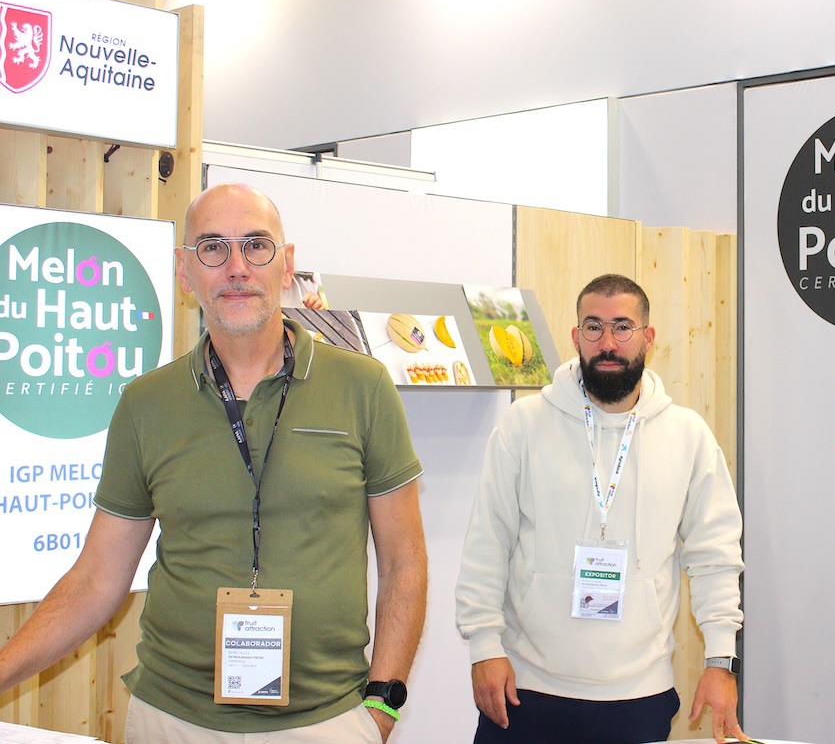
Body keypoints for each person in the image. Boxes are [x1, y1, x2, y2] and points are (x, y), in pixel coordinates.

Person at [0, 183, 428, 742]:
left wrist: (383, 704)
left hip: (326, 719)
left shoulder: (363, 387)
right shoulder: (146, 404)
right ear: (185, 271)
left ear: (287, 264)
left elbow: (404, 561)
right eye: (212, 248)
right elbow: (96, 579)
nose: (236, 267)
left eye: (256, 245)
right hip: (171, 718)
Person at [456, 273, 746, 744]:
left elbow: (715, 556)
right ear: (576, 337)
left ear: (648, 337)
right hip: (526, 688)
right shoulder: (523, 425)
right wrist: (484, 646)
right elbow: (488, 542)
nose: (607, 343)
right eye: (594, 327)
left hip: (639, 695)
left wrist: (719, 660)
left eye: (622, 327)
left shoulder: (687, 436)